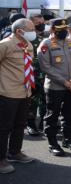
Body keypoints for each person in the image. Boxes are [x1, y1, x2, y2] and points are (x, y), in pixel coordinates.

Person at [38, 18, 71, 156]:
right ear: (52, 30)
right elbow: (46, 68)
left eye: (64, 29)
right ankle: (52, 143)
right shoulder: (46, 44)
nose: (63, 32)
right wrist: (65, 82)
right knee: (52, 115)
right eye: (59, 30)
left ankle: (67, 138)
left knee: (69, 114)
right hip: (55, 87)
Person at [0, 18, 36, 174]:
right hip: (7, 93)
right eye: (31, 29)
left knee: (20, 124)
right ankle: (1, 159)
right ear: (19, 31)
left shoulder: (28, 44)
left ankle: (15, 152)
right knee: (3, 127)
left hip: (25, 91)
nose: (34, 31)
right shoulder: (5, 45)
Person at [25, 13, 47, 136]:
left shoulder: (46, 38)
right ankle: (31, 124)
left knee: (46, 101)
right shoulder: (27, 39)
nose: (42, 25)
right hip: (31, 77)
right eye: (38, 23)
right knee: (32, 102)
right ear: (31, 23)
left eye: (42, 22)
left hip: (46, 76)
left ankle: (44, 123)